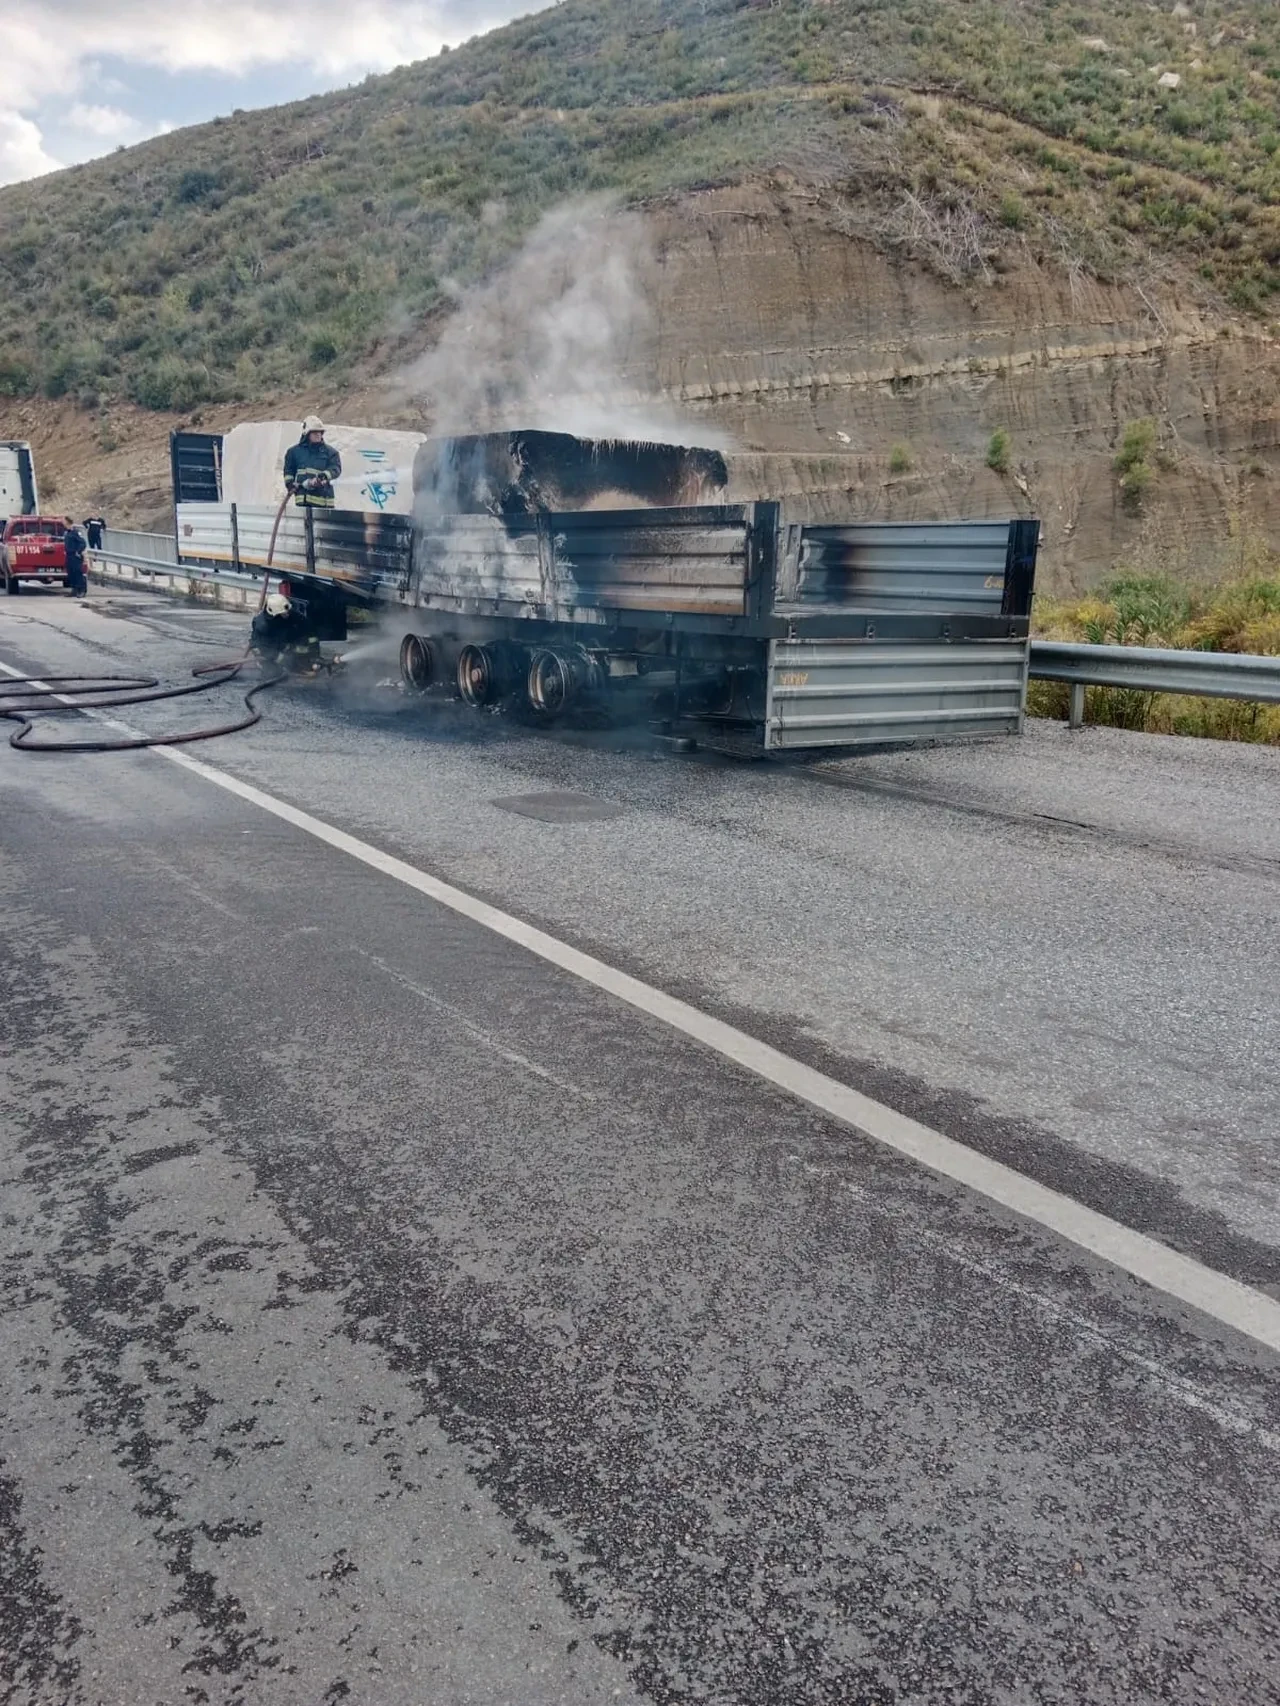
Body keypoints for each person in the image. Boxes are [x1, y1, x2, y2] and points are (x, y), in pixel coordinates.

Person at [283, 416, 341, 509]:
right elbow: (288, 471)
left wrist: (324, 476)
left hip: (324, 503)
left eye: (320, 432)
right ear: (306, 434)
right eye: (314, 432)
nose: (318, 434)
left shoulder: (331, 452)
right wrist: (290, 484)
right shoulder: (293, 452)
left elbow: (336, 469)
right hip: (302, 502)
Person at [63, 521, 88, 598]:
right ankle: (74, 589)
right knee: (71, 573)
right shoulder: (67, 533)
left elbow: (82, 543)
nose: (65, 526)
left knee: (78, 573)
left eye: (67, 524)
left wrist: (78, 551)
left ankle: (82, 590)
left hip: (75, 556)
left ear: (70, 524)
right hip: (69, 555)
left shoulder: (76, 532)